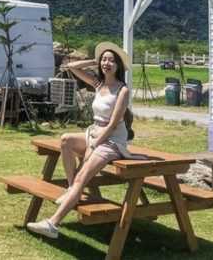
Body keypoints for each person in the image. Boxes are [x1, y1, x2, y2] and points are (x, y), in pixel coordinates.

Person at [26, 42, 135, 240]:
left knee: (82, 175)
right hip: (93, 132)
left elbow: (112, 125)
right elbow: (71, 67)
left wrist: (94, 144)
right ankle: (71, 189)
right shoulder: (99, 84)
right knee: (66, 140)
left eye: (111, 60)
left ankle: (53, 224)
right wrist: (95, 59)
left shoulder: (123, 90)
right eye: (104, 59)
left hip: (111, 141)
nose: (106, 63)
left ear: (119, 65)